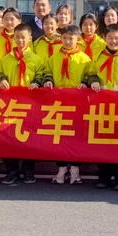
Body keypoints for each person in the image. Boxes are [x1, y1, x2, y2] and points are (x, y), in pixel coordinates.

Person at [41, 24, 96, 185]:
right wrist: (48, 81)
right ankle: (62, 167)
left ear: (77, 39)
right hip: (59, 103)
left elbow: (91, 75)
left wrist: (86, 82)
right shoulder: (54, 58)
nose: (67, 41)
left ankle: (75, 168)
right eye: (64, 38)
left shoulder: (85, 59)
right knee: (60, 135)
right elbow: (46, 72)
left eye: (70, 38)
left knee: (77, 135)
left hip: (78, 104)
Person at [0, 23, 46, 186]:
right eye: (17, 37)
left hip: (30, 106)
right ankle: (12, 170)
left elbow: (43, 75)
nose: (20, 40)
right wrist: (1, 79)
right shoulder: (6, 59)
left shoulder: (36, 60)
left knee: (29, 138)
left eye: (23, 37)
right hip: (10, 105)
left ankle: (28, 170)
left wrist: (37, 82)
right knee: (8, 138)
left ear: (30, 39)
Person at [90, 23, 118, 191]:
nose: (113, 41)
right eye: (110, 38)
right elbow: (91, 73)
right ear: (104, 39)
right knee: (102, 142)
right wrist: (93, 81)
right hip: (102, 107)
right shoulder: (98, 56)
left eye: (117, 38)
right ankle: (103, 176)